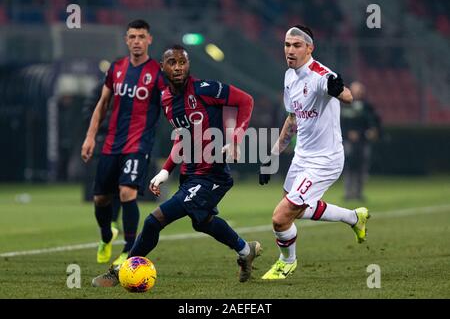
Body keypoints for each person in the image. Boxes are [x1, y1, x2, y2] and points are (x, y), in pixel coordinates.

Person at [91, 44, 262, 287]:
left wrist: (235, 139)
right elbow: (183, 137)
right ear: (163, 67)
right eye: (172, 63)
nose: (178, 67)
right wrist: (164, 170)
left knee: (154, 221)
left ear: (188, 65)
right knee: (202, 222)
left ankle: (122, 270)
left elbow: (246, 100)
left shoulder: (206, 89)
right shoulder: (166, 99)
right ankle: (246, 251)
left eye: (183, 62)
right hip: (190, 174)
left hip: (213, 175)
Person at [258, 25, 370, 280]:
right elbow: (292, 119)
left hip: (325, 160)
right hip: (302, 157)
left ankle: (287, 262)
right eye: (287, 45)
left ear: (310, 48)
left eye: (297, 45)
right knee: (298, 209)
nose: (290, 50)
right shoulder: (289, 76)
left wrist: (339, 90)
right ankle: (354, 217)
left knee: (280, 218)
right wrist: (272, 155)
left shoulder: (320, 74)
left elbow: (348, 96)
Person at [81, 19, 166, 266]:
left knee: (127, 192)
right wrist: (89, 137)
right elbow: (102, 104)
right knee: (101, 199)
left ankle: (129, 250)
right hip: (110, 144)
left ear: (149, 39)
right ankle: (107, 235)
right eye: (132, 37)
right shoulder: (116, 68)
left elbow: (168, 104)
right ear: (126, 40)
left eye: (141, 36)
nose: (137, 41)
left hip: (139, 144)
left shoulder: (157, 74)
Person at [341, 81, 381, 201]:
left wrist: (372, 131)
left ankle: (358, 193)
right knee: (349, 166)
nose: (358, 92)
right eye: (356, 90)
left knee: (361, 166)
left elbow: (374, 121)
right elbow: (339, 123)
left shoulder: (367, 106)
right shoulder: (344, 105)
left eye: (360, 90)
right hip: (347, 141)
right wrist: (348, 133)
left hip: (363, 141)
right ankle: (348, 192)